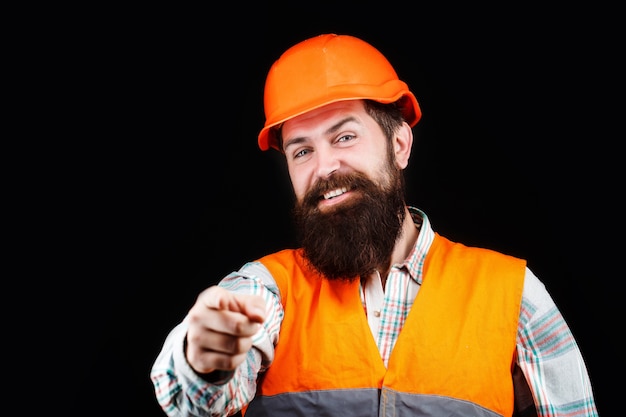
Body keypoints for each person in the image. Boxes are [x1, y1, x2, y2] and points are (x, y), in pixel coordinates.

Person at [150, 33, 598, 417]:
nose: (324, 167)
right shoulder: (267, 290)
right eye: (301, 151)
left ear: (399, 144)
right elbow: (190, 400)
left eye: (344, 137)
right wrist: (205, 357)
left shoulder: (512, 292)